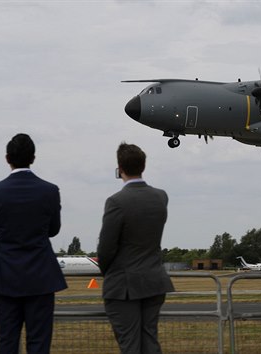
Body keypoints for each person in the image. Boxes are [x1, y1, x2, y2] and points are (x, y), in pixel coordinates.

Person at [0, 133, 68, 354]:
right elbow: (53, 230)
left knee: (7, 341)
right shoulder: (49, 191)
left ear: (7, 158)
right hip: (41, 276)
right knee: (39, 343)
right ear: (33, 158)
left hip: (7, 277)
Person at [97, 142, 175, 354]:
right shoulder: (161, 197)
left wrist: (107, 271)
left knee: (130, 344)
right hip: (154, 280)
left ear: (119, 168)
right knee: (150, 341)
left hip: (124, 286)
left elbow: (106, 248)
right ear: (143, 166)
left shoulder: (116, 201)